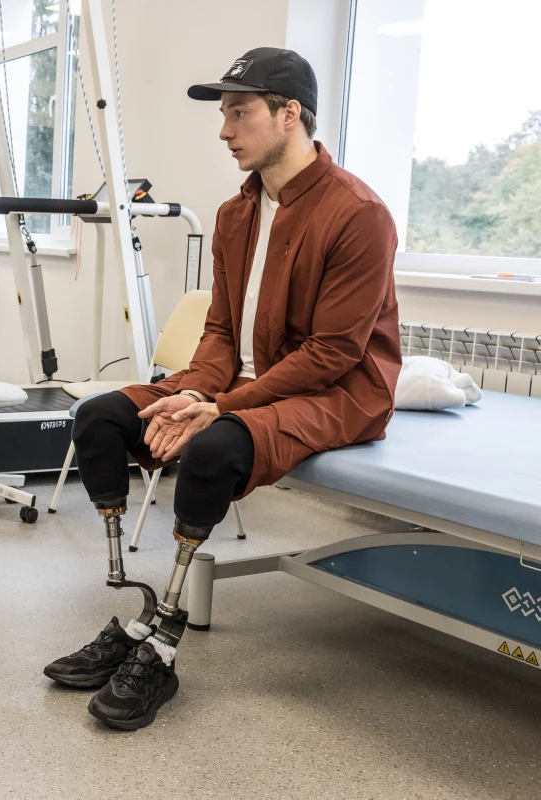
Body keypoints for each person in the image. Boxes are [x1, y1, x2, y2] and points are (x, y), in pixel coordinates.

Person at [44, 48, 401, 730]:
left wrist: (221, 407)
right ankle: (132, 601)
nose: (224, 129)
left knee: (211, 452)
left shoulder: (359, 214)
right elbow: (220, 332)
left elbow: (334, 353)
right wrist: (196, 391)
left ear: (289, 114)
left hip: (339, 390)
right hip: (245, 378)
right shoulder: (236, 214)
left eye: (239, 112)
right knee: (98, 419)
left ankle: (165, 638)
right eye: (224, 114)